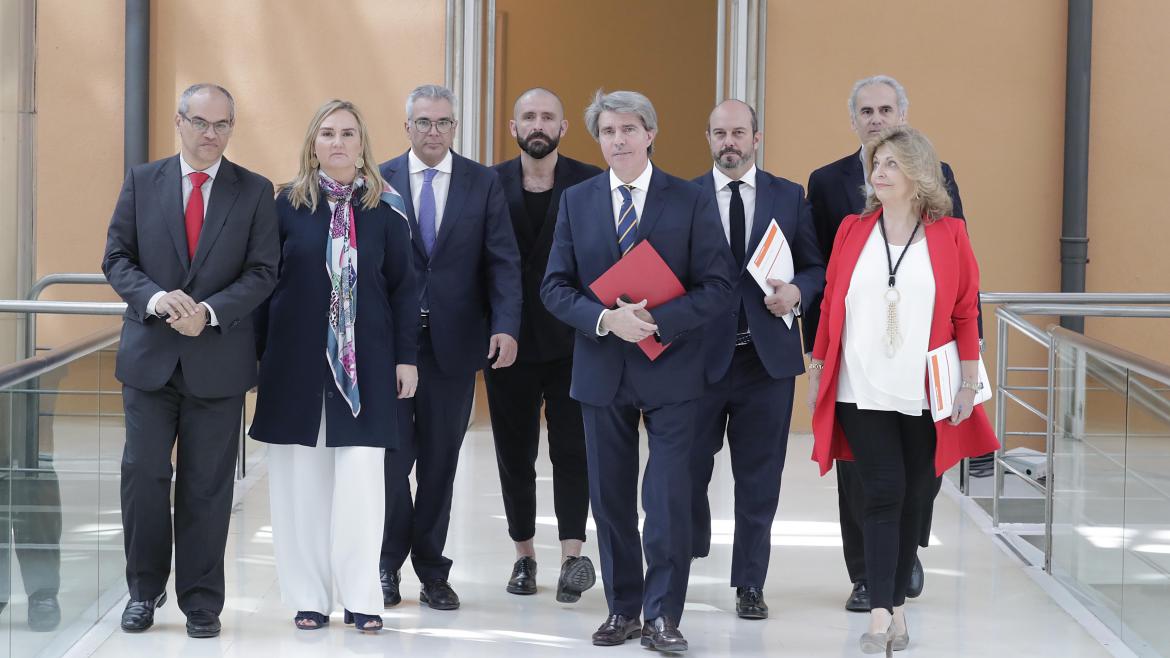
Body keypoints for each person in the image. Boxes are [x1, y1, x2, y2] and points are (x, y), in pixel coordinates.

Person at [541, 89, 733, 653]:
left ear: (650, 133)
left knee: (669, 497)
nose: (618, 140)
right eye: (607, 132)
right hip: (602, 369)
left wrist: (656, 321)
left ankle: (663, 616)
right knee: (611, 498)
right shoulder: (576, 201)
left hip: (673, 370)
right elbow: (554, 287)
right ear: (597, 140)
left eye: (628, 129)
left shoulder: (691, 199)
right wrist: (604, 320)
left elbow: (719, 288)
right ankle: (623, 609)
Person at [807, 125, 998, 654]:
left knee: (917, 492)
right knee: (883, 490)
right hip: (860, 385)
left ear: (918, 175)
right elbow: (830, 304)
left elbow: (964, 312)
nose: (879, 172)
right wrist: (819, 364)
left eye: (892, 163)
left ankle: (897, 608)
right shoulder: (851, 228)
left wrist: (966, 379)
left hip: (924, 387)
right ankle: (880, 613)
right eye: (876, 163)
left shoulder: (949, 233)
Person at [102, 83, 279, 638]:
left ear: (232, 127)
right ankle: (143, 591)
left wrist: (209, 310)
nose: (210, 134)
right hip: (150, 361)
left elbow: (263, 271)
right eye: (200, 122)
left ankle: (202, 602)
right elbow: (117, 258)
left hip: (217, 363)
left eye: (222, 124)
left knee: (207, 487)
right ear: (179, 121)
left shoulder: (253, 191)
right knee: (145, 477)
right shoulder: (142, 181)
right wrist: (155, 299)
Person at [249, 100, 418, 633]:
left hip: (365, 368)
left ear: (363, 143)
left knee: (362, 484)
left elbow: (405, 291)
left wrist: (406, 358)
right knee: (301, 485)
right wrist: (255, 362)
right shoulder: (283, 208)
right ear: (312, 143)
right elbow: (260, 289)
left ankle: (362, 596)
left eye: (348, 133)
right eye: (328, 133)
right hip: (294, 366)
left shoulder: (386, 211)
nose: (338, 142)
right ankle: (309, 596)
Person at [803, 74, 967, 611]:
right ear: (854, 121)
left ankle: (904, 549)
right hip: (861, 357)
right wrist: (819, 358)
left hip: (923, 358)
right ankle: (867, 576)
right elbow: (824, 280)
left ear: (903, 115)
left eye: (885, 109)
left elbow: (961, 277)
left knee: (920, 477)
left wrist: (971, 359)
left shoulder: (938, 178)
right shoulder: (828, 184)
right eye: (866, 111)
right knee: (863, 475)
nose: (876, 119)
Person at [378, 84, 522, 611]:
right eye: (423, 122)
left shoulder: (482, 183)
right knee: (392, 461)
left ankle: (433, 570)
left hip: (455, 347)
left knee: (441, 460)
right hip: (392, 345)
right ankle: (386, 565)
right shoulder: (380, 179)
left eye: (443, 122)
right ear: (407, 127)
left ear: (454, 127)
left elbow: (502, 260)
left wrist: (506, 324)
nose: (433, 132)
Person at [689, 99, 825, 619]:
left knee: (759, 478)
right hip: (699, 360)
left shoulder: (789, 197)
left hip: (765, 362)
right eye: (720, 132)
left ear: (756, 138)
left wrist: (797, 291)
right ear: (708, 138)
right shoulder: (686, 196)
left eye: (739, 132)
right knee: (687, 468)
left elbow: (815, 266)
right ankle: (692, 534)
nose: (730, 142)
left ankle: (750, 583)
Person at [486, 88, 602, 601]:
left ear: (563, 128)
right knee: (515, 453)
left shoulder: (589, 182)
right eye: (528, 116)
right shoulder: (488, 184)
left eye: (548, 117)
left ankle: (573, 558)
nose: (538, 124)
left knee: (573, 452)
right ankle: (524, 557)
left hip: (574, 341)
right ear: (513, 128)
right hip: (507, 342)